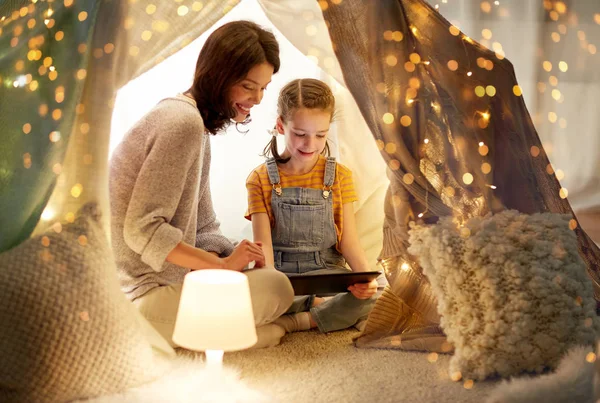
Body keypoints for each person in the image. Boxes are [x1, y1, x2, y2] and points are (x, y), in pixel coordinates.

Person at [109, 21, 294, 349]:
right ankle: (238, 334)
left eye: (263, 88)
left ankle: (229, 334)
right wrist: (222, 266)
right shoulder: (182, 124)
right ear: (219, 76)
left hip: (165, 285)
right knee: (277, 289)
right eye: (249, 86)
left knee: (268, 282)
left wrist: (232, 258)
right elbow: (142, 230)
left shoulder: (191, 122)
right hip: (141, 298)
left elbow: (204, 223)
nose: (257, 98)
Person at [245, 78, 379, 334]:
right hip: (281, 275)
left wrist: (365, 280)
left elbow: (348, 241)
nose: (311, 145)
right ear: (280, 126)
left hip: (327, 271)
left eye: (321, 135)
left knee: (375, 297)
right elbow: (265, 253)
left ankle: (296, 321)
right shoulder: (259, 179)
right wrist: (271, 288)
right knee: (243, 295)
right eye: (300, 134)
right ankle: (319, 310)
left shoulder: (340, 176)